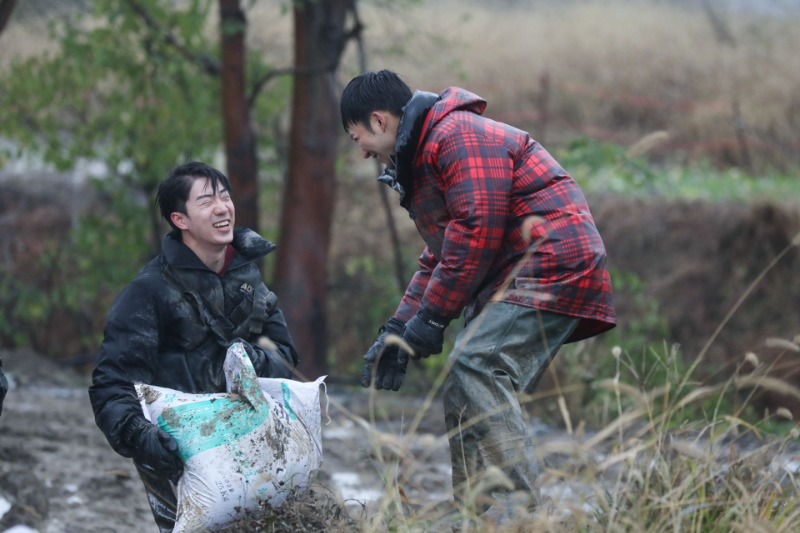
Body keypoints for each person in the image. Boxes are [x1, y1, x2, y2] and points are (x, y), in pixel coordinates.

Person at [340, 70, 616, 518]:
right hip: (515, 273)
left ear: (378, 120)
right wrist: (398, 328)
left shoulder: (455, 136)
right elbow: (442, 254)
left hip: (550, 262)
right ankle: (478, 511)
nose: (364, 151)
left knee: (477, 364)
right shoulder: (423, 154)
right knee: (465, 377)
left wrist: (431, 319)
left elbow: (477, 230)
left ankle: (514, 510)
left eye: (358, 139)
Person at [88, 161, 299, 532]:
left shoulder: (249, 278)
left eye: (225, 197)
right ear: (180, 219)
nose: (222, 208)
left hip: (255, 444)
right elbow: (112, 383)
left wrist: (255, 361)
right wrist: (142, 437)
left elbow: (287, 360)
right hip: (183, 454)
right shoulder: (149, 291)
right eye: (206, 201)